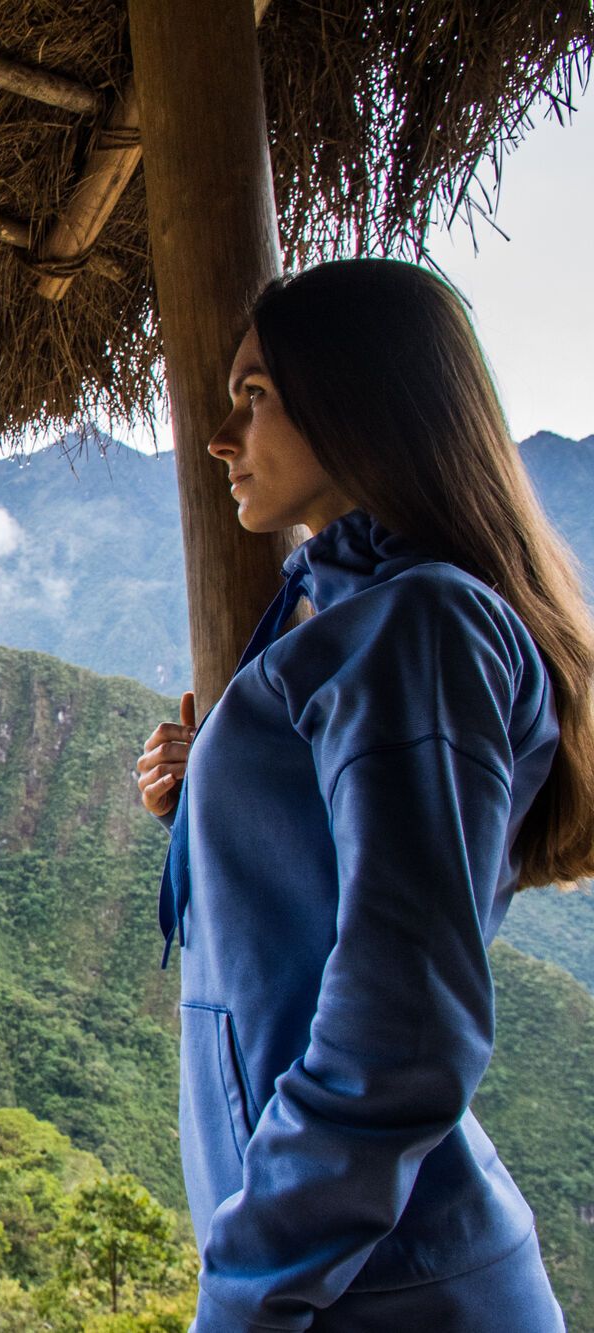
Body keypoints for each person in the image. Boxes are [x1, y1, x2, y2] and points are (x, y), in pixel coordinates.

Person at [134, 258, 590, 1331]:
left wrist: (244, 1296)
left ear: (355, 398)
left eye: (252, 397)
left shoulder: (416, 625)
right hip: (350, 1274)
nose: (217, 436)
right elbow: (333, 876)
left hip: (375, 1288)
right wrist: (210, 810)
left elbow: (403, 1025)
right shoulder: (338, 607)